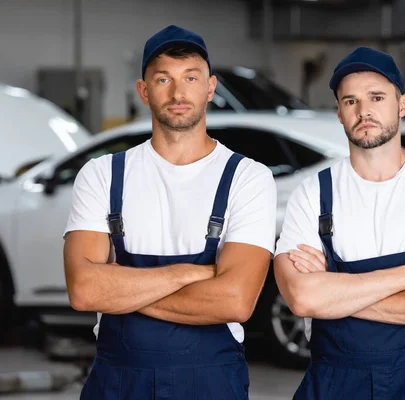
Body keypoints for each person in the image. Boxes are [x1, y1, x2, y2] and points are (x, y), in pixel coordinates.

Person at [63, 24, 276, 399]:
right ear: (143, 91)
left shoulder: (248, 178)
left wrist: (121, 288)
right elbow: (84, 290)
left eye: (191, 77)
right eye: (163, 79)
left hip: (210, 384)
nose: (178, 92)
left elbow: (235, 301)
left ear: (210, 87)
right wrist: (191, 274)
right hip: (118, 383)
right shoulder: (102, 175)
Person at [274, 47, 405, 400]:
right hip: (331, 385)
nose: (363, 111)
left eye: (376, 97)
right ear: (339, 113)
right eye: (350, 101)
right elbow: (302, 297)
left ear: (402, 105)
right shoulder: (311, 193)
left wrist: (335, 293)